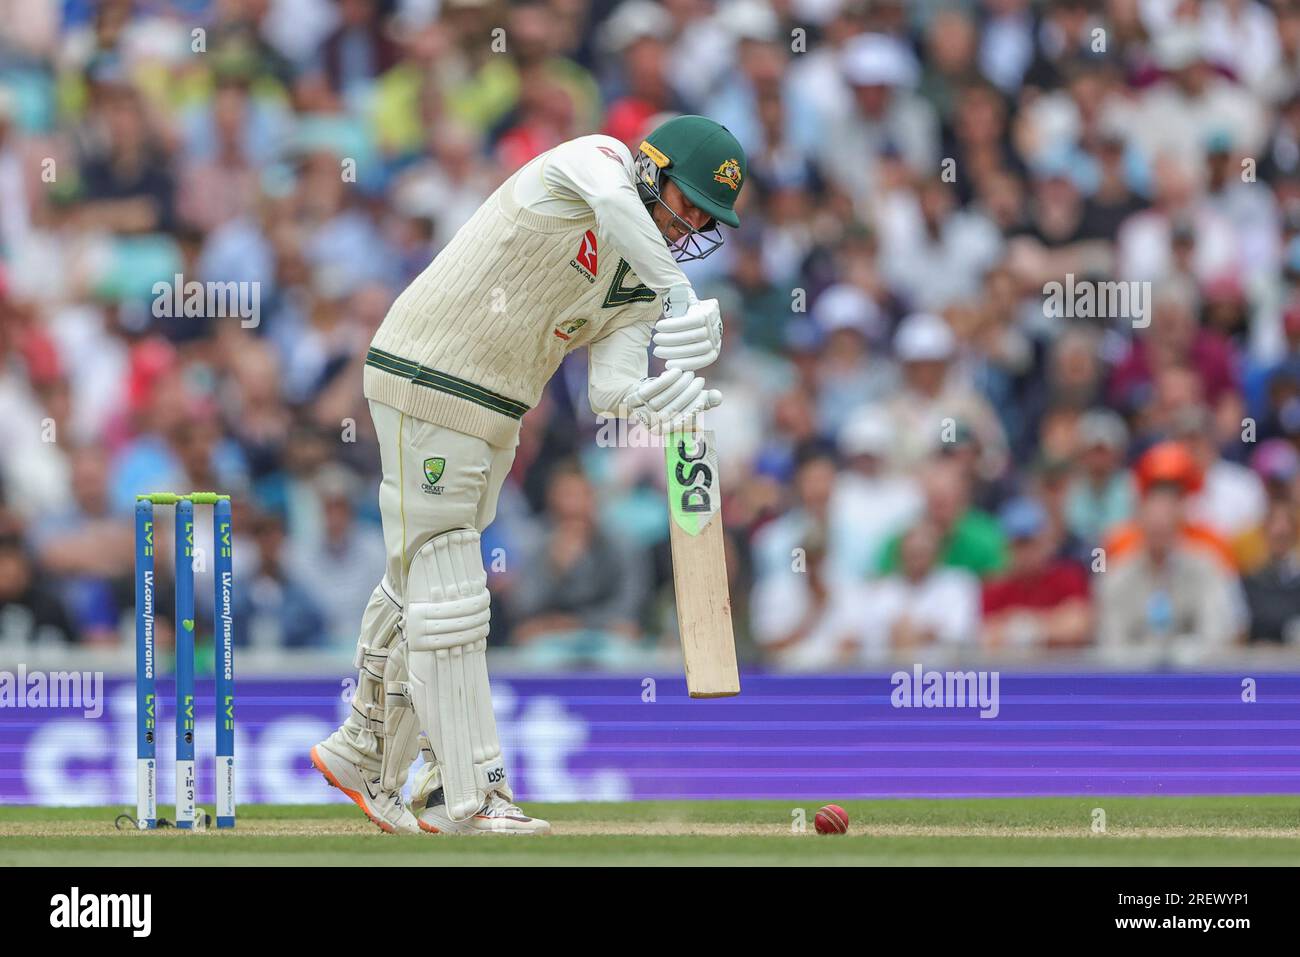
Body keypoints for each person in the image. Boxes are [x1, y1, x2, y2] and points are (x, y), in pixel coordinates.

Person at [310, 114, 747, 834]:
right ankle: (471, 795)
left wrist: (657, 404)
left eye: (706, 215)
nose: (689, 222)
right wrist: (683, 296)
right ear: (651, 168)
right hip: (432, 372)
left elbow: (610, 390)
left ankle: (362, 747)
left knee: (419, 575)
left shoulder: (640, 274)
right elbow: (614, 209)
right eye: (687, 199)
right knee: (451, 589)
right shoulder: (593, 163)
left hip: (498, 410)